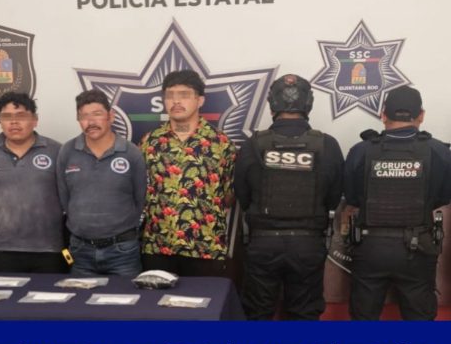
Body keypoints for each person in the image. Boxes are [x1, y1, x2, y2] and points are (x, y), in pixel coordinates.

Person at [234, 74, 344, 320]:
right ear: (309, 104)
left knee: (257, 314)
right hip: (308, 244)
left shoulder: (253, 144)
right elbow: (334, 197)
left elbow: (242, 194)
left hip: (263, 243)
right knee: (304, 316)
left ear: (272, 104)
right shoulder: (328, 145)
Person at [345, 85, 451, 320]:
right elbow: (444, 197)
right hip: (418, 247)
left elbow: (351, 198)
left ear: (383, 115)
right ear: (421, 115)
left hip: (370, 246)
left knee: (363, 322)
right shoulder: (439, 152)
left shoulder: (360, 151)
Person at [140, 69, 236, 276]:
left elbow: (229, 195)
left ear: (200, 100)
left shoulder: (221, 143)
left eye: (184, 95)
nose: (176, 101)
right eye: (170, 95)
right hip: (158, 246)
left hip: (205, 248)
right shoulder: (150, 142)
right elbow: (139, 190)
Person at [56, 89, 146, 277]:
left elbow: (140, 199)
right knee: (79, 297)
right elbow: (65, 198)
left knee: (125, 297)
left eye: (97, 114)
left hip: (123, 251)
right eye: (84, 116)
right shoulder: (67, 151)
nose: (91, 122)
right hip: (80, 251)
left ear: (110, 116)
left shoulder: (131, 153)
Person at [0, 92, 66, 273]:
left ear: (35, 120)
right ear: (0, 121)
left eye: (21, 116)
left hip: (49, 249)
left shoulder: (57, 151)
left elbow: (68, 195)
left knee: (48, 293)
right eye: (7, 117)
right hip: (5, 248)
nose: (14, 122)